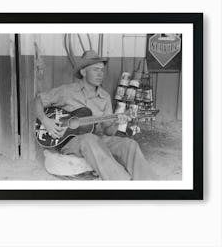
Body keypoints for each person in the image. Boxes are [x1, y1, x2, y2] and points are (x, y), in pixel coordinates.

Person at [35, 50, 157, 180]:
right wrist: (45, 120)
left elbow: (109, 132)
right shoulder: (66, 91)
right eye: (95, 70)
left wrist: (118, 121)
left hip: (99, 138)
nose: (100, 74)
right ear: (83, 72)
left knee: (130, 145)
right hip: (70, 141)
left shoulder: (104, 97)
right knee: (89, 139)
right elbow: (37, 101)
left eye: (102, 70)